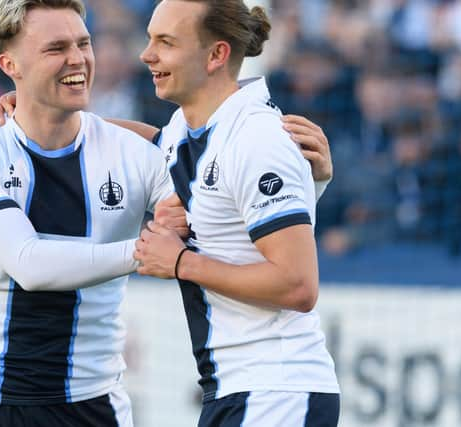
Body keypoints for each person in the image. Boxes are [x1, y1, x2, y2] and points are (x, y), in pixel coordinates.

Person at [0, 1, 179, 426]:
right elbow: (30, 263)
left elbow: (215, 218)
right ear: (11, 64)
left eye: (84, 43)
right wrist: (147, 252)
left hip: (93, 405)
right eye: (55, 48)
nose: (77, 58)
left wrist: (314, 183)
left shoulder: (135, 153)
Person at [133, 1, 340, 426]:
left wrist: (180, 262)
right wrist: (42, 115)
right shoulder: (186, 130)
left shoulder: (257, 138)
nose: (146, 54)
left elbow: (298, 285)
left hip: (276, 393)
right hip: (238, 391)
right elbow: (142, 142)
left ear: (216, 55)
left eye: (165, 42)